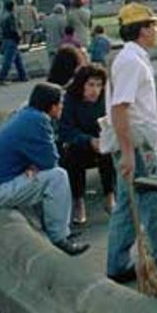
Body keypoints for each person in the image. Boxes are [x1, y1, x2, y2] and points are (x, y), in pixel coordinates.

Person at [100, 3, 157, 283]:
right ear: (142, 30)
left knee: (128, 207)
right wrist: (129, 153)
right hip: (136, 146)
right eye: (153, 25)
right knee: (155, 202)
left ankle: (117, 264)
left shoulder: (130, 58)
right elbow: (120, 110)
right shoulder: (131, 62)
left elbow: (138, 110)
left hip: (139, 143)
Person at [0, 83, 89, 255]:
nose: (62, 107)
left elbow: (38, 158)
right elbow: (51, 161)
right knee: (57, 177)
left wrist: (34, 164)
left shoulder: (26, 114)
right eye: (60, 103)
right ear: (52, 106)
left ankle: (55, 229)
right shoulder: (38, 121)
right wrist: (36, 163)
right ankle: (60, 238)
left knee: (49, 176)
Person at [59, 64, 115, 225]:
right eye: (90, 85)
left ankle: (110, 196)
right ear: (81, 84)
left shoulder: (105, 99)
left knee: (108, 151)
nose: (95, 90)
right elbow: (66, 131)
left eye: (99, 85)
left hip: (100, 141)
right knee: (74, 155)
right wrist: (88, 140)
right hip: (78, 144)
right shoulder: (70, 99)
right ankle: (78, 200)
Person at [0, 0, 28, 84]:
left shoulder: (3, 15)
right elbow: (13, 29)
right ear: (13, 7)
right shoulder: (11, 16)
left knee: (17, 59)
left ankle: (23, 75)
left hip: (6, 38)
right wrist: (19, 37)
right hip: (12, 39)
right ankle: (1, 77)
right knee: (8, 60)